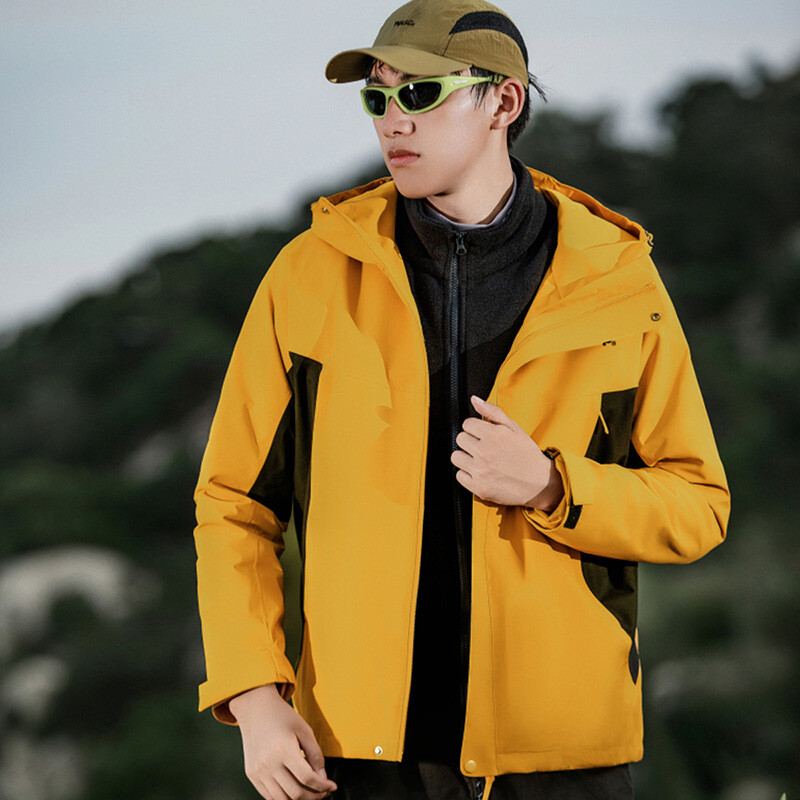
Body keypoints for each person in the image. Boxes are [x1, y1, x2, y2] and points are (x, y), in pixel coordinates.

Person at [193, 0, 730, 798]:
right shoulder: (308, 276)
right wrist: (254, 696)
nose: (392, 120)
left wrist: (553, 487)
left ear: (503, 102)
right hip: (359, 758)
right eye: (377, 96)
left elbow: (698, 505)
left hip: (560, 758)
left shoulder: (617, 281)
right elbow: (234, 504)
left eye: (419, 93)